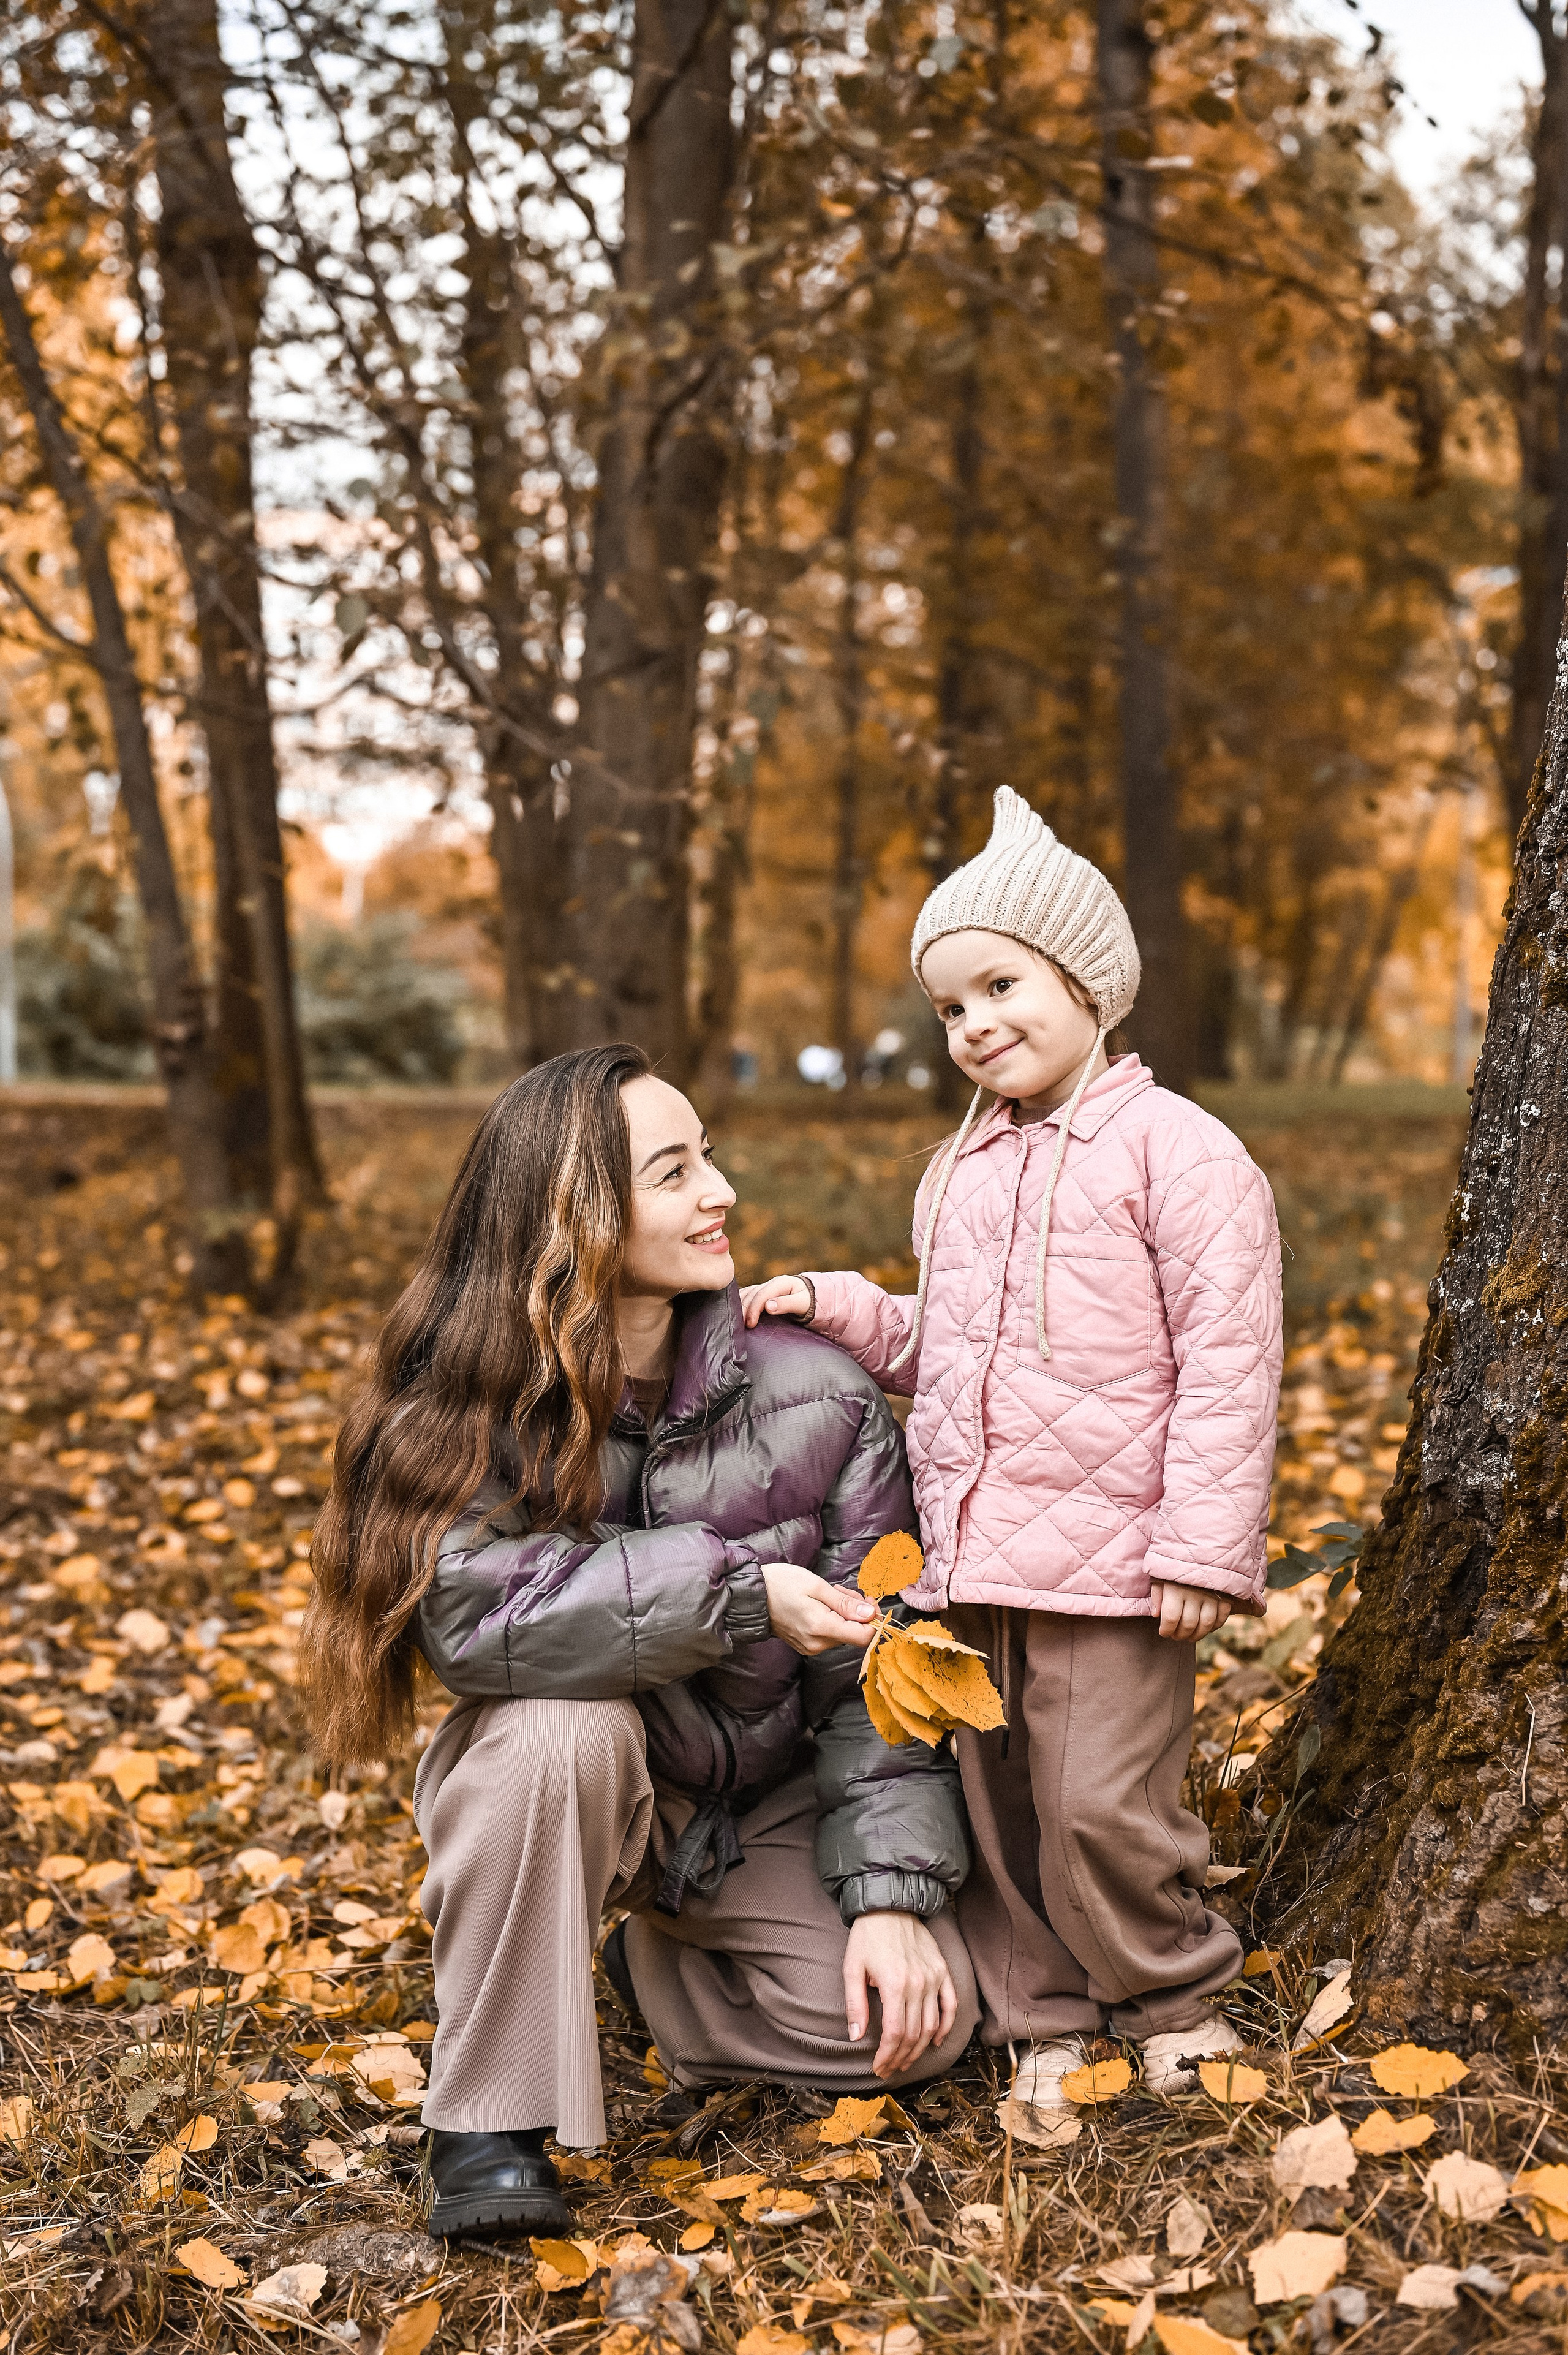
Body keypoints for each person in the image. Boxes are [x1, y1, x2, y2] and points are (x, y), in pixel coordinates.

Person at [303, 1045, 978, 2242]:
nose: (717, 1189)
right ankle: (488, 2124)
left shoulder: (817, 1391)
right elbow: (476, 1620)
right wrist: (732, 1588)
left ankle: (649, 1976)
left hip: (755, 1799)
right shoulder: (471, 1390)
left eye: (707, 1153)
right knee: (556, 1729)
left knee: (922, 2023)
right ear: (574, 1212)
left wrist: (888, 1895)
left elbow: (876, 1664)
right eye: (672, 1171)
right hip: (581, 1787)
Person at [744, 787, 1283, 2105]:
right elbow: (954, 1341)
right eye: (949, 1007)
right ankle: (1042, 2011)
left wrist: (1202, 1544)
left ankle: (1167, 1989)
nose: (975, 1022)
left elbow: (1228, 1357)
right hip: (972, 1553)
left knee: (1101, 1797)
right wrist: (849, 1310)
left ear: (1086, 979)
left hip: (1113, 1557)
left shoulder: (1179, 1154)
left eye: (1000, 983)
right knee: (996, 1803)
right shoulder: (964, 1168)